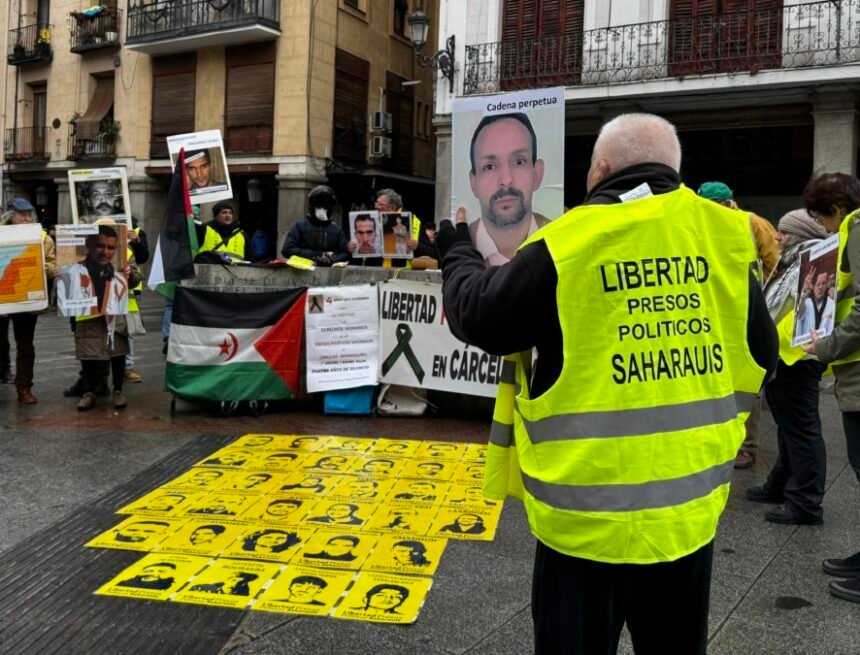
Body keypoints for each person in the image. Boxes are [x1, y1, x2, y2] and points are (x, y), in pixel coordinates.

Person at [437, 113, 777, 653]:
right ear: (676, 169)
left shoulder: (568, 239)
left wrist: (455, 250)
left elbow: (480, 317)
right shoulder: (728, 235)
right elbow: (764, 353)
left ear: (599, 168)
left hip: (584, 523)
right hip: (685, 519)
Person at [799, 173, 860, 603]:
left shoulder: (856, 228)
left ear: (835, 210)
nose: (825, 230)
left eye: (823, 220)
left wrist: (827, 346)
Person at [698, 180, 780, 470]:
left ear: (727, 203)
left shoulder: (752, 223)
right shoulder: (701, 224)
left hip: (747, 310)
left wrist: (767, 304)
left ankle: (748, 446)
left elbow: (774, 264)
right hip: (714, 308)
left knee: (749, 376)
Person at [55, 224, 139, 411]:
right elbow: (62, 292)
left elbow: (136, 279)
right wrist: (58, 278)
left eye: (110, 248)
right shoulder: (73, 269)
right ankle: (89, 392)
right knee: (88, 355)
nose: (105, 252)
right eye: (100, 246)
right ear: (89, 245)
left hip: (114, 317)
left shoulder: (124, 258)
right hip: (88, 318)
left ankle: (118, 391)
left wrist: (130, 274)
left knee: (117, 354)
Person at [461, 113, 550, 265]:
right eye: (489, 166)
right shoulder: (461, 245)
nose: (506, 180)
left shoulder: (562, 242)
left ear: (537, 174)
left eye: (519, 162)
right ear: (473, 182)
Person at [0, 198, 56, 403]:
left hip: (26, 299)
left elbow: (53, 265)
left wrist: (44, 268)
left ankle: (24, 387)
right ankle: (4, 371)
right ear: (10, 216)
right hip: (2, 297)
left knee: (26, 345)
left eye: (29, 214)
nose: (27, 218)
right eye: (22, 214)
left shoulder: (42, 237)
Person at [281, 185, 350, 266]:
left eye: (325, 206)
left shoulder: (336, 230)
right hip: (302, 273)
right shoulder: (299, 226)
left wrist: (331, 260)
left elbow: (346, 253)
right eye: (319, 205)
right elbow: (287, 250)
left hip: (327, 275)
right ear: (312, 206)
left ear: (330, 208)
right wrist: (318, 255)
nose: (322, 209)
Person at [124, 215, 149, 383]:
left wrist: (135, 241)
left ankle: (128, 367)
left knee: (128, 330)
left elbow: (143, 257)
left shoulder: (138, 233)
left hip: (130, 289)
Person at [796, 270, 836, 339]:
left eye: (823, 284)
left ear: (826, 285)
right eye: (818, 284)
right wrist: (804, 293)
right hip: (805, 346)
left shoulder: (831, 304)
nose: (820, 287)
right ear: (812, 286)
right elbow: (800, 315)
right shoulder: (806, 303)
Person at [189, 572, 257, 596]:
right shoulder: (200, 588)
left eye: (239, 583)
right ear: (226, 580)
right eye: (233, 580)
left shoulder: (243, 593)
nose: (234, 585)